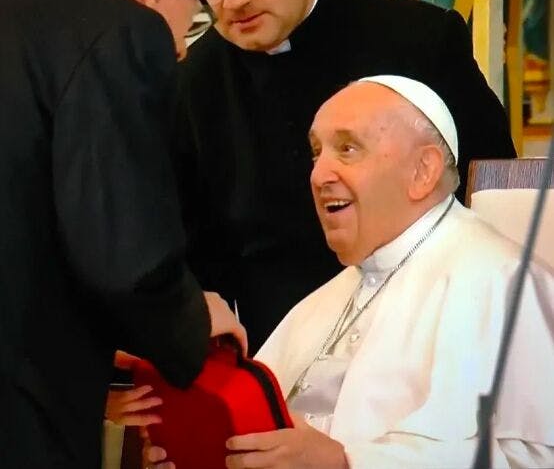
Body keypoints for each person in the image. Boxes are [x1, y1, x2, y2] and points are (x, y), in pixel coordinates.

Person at [142, 75, 554, 469]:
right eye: (317, 152)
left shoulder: (504, 283)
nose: (319, 175)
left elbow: (539, 457)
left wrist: (347, 462)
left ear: (422, 171)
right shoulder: (330, 296)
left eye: (348, 149)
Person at [177, 0, 517, 353]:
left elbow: (496, 196)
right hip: (289, 369)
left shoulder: (419, 40)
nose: (233, 0)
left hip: (436, 350)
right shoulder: (191, 84)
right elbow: (198, 267)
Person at [0, 0, 245, 468]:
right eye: (195, 12)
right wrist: (191, 319)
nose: (184, 49)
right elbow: (120, 248)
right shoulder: (118, 28)